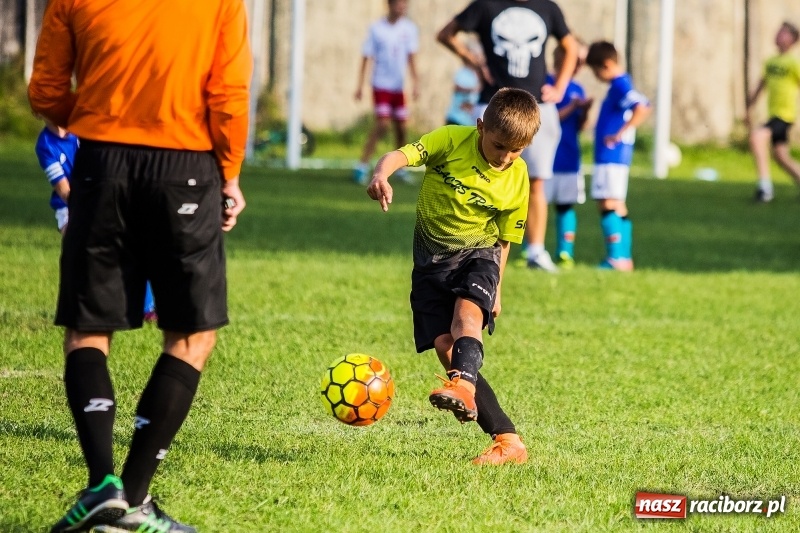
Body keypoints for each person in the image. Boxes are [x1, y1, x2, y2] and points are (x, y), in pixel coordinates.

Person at [28, 0, 251, 531]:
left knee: (87, 327)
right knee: (192, 334)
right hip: (185, 164)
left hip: (101, 160)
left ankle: (103, 486)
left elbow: (45, 91)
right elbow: (229, 95)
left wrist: (97, 116)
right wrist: (230, 173)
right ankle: (134, 497)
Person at [366, 88, 540, 465]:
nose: (506, 158)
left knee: (466, 319)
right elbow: (401, 154)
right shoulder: (449, 140)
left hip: (480, 255)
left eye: (517, 151)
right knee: (446, 346)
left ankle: (464, 385)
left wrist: (498, 290)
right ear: (480, 127)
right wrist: (381, 173)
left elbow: (508, 237)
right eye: (499, 146)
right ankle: (508, 441)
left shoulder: (518, 176)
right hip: (430, 264)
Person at [437, 0, 579, 273]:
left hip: (538, 107)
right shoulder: (485, 5)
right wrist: (474, 62)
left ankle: (536, 251)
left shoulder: (548, 8)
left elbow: (570, 47)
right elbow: (445, 34)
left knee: (537, 181)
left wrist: (559, 87)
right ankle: (468, 244)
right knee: (474, 176)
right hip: (491, 104)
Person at [35, 123, 158, 321]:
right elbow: (63, 190)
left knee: (134, 247)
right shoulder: (45, 145)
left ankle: (148, 308)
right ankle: (84, 309)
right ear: (38, 112)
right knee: (81, 254)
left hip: (99, 198)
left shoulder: (83, 130)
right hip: (70, 207)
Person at [585, 41, 651, 271]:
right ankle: (624, 258)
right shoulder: (621, 84)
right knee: (618, 204)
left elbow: (642, 107)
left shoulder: (620, 84)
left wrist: (619, 133)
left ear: (607, 64)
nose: (596, 76)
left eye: (595, 71)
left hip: (611, 155)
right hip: (617, 156)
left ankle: (615, 258)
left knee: (607, 202)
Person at [353, 0, 420, 185]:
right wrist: (359, 85)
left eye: (404, 4)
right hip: (381, 85)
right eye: (399, 3)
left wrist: (415, 82)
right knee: (382, 124)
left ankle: (400, 168)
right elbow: (366, 57)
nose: (402, 7)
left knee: (401, 127)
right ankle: (362, 166)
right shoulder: (377, 29)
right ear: (389, 5)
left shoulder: (409, 29)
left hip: (398, 87)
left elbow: (411, 57)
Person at [544, 41, 592, 268]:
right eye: (578, 60)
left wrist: (584, 111)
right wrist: (572, 107)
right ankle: (533, 250)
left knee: (566, 205)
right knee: (538, 204)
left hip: (570, 157)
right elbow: (546, 119)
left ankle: (565, 252)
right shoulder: (546, 84)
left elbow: (580, 126)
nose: (581, 66)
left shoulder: (577, 88)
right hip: (547, 156)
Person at [745, 21, 800, 203]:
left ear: (792, 40)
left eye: (783, 33)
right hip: (773, 114)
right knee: (781, 157)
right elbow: (761, 86)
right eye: (778, 31)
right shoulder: (771, 62)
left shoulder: (793, 62)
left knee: (757, 137)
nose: (778, 35)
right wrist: (749, 108)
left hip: (784, 115)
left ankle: (765, 188)